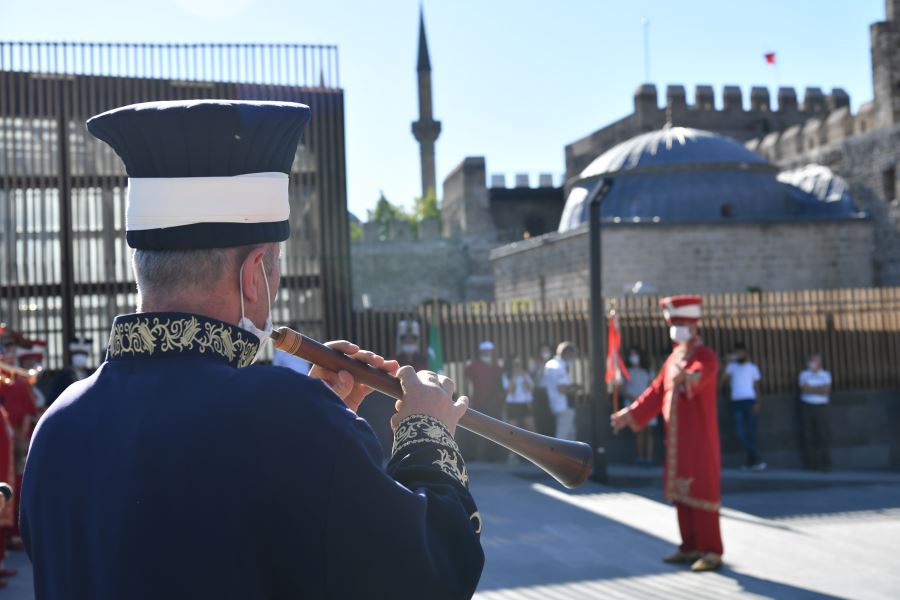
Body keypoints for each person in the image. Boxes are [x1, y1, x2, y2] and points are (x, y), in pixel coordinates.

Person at [21, 100, 484, 599]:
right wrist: (427, 436)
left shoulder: (57, 425)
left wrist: (329, 431)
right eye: (277, 266)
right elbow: (428, 575)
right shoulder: (290, 417)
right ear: (254, 276)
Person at [611, 295, 723, 572]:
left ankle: (711, 550)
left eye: (680, 324)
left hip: (699, 440)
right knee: (681, 493)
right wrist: (629, 414)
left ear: (694, 326)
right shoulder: (673, 357)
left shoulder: (704, 355)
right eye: (673, 324)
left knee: (702, 491)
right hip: (676, 441)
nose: (676, 329)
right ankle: (689, 546)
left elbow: (701, 374)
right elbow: (655, 392)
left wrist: (687, 376)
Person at [722, 342, 766, 471]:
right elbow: (723, 380)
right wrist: (727, 363)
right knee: (740, 432)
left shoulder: (752, 368)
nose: (738, 355)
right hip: (736, 401)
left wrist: (758, 402)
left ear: (746, 353)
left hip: (750, 400)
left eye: (740, 352)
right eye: (737, 353)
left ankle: (751, 461)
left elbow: (757, 386)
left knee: (751, 432)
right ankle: (757, 457)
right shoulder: (732, 367)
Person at [464, 341, 505, 461]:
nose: (487, 353)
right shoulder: (473, 366)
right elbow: (467, 382)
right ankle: (478, 457)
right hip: (478, 404)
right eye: (484, 351)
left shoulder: (497, 367)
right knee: (479, 431)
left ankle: (493, 457)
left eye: (489, 351)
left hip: (494, 405)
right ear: (480, 352)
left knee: (493, 431)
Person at [798, 353, 833, 471]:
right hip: (807, 406)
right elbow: (804, 389)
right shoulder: (804, 374)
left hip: (821, 407)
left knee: (823, 435)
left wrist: (812, 389)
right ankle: (811, 464)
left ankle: (826, 463)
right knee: (808, 435)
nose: (811, 363)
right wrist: (819, 389)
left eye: (814, 360)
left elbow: (826, 390)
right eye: (810, 360)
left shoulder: (825, 374)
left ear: (820, 362)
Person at [622, 347, 655, 466]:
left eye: (635, 354)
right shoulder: (627, 371)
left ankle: (649, 458)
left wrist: (645, 399)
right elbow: (623, 390)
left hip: (648, 404)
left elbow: (652, 387)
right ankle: (641, 458)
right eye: (631, 354)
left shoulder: (647, 371)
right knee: (639, 431)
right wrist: (635, 399)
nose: (633, 357)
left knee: (649, 432)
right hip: (633, 404)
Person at [543, 342, 579, 441]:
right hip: (564, 406)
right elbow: (561, 389)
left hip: (557, 405)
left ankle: (572, 456)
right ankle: (556, 457)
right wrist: (574, 388)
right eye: (573, 355)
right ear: (568, 354)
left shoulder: (551, 363)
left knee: (571, 435)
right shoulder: (559, 366)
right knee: (562, 437)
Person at [47, 337, 93, 405]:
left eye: (83, 354)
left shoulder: (91, 374)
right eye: (76, 353)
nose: (80, 356)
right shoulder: (63, 376)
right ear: (72, 355)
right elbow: (54, 397)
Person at [502, 356, 535, 432]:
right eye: (515, 364)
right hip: (513, 405)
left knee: (532, 429)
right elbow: (510, 391)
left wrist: (523, 376)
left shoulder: (525, 374)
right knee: (511, 430)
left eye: (518, 364)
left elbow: (530, 388)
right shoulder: (506, 375)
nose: (517, 366)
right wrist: (514, 376)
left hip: (525, 404)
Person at [530, 343, 554, 437]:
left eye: (547, 351)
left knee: (550, 419)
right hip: (539, 393)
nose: (545, 353)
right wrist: (540, 368)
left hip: (552, 393)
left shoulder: (553, 363)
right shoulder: (535, 363)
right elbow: (532, 379)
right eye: (544, 351)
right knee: (540, 418)